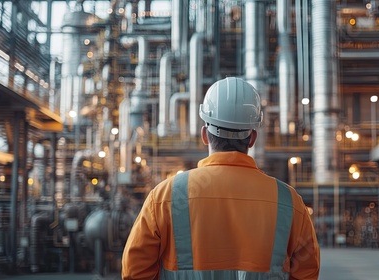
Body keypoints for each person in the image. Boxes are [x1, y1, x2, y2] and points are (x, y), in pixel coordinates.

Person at [122, 77, 320, 279]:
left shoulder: (165, 197)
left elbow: (135, 271)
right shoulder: (290, 202)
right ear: (252, 139)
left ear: (204, 135)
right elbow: (307, 272)